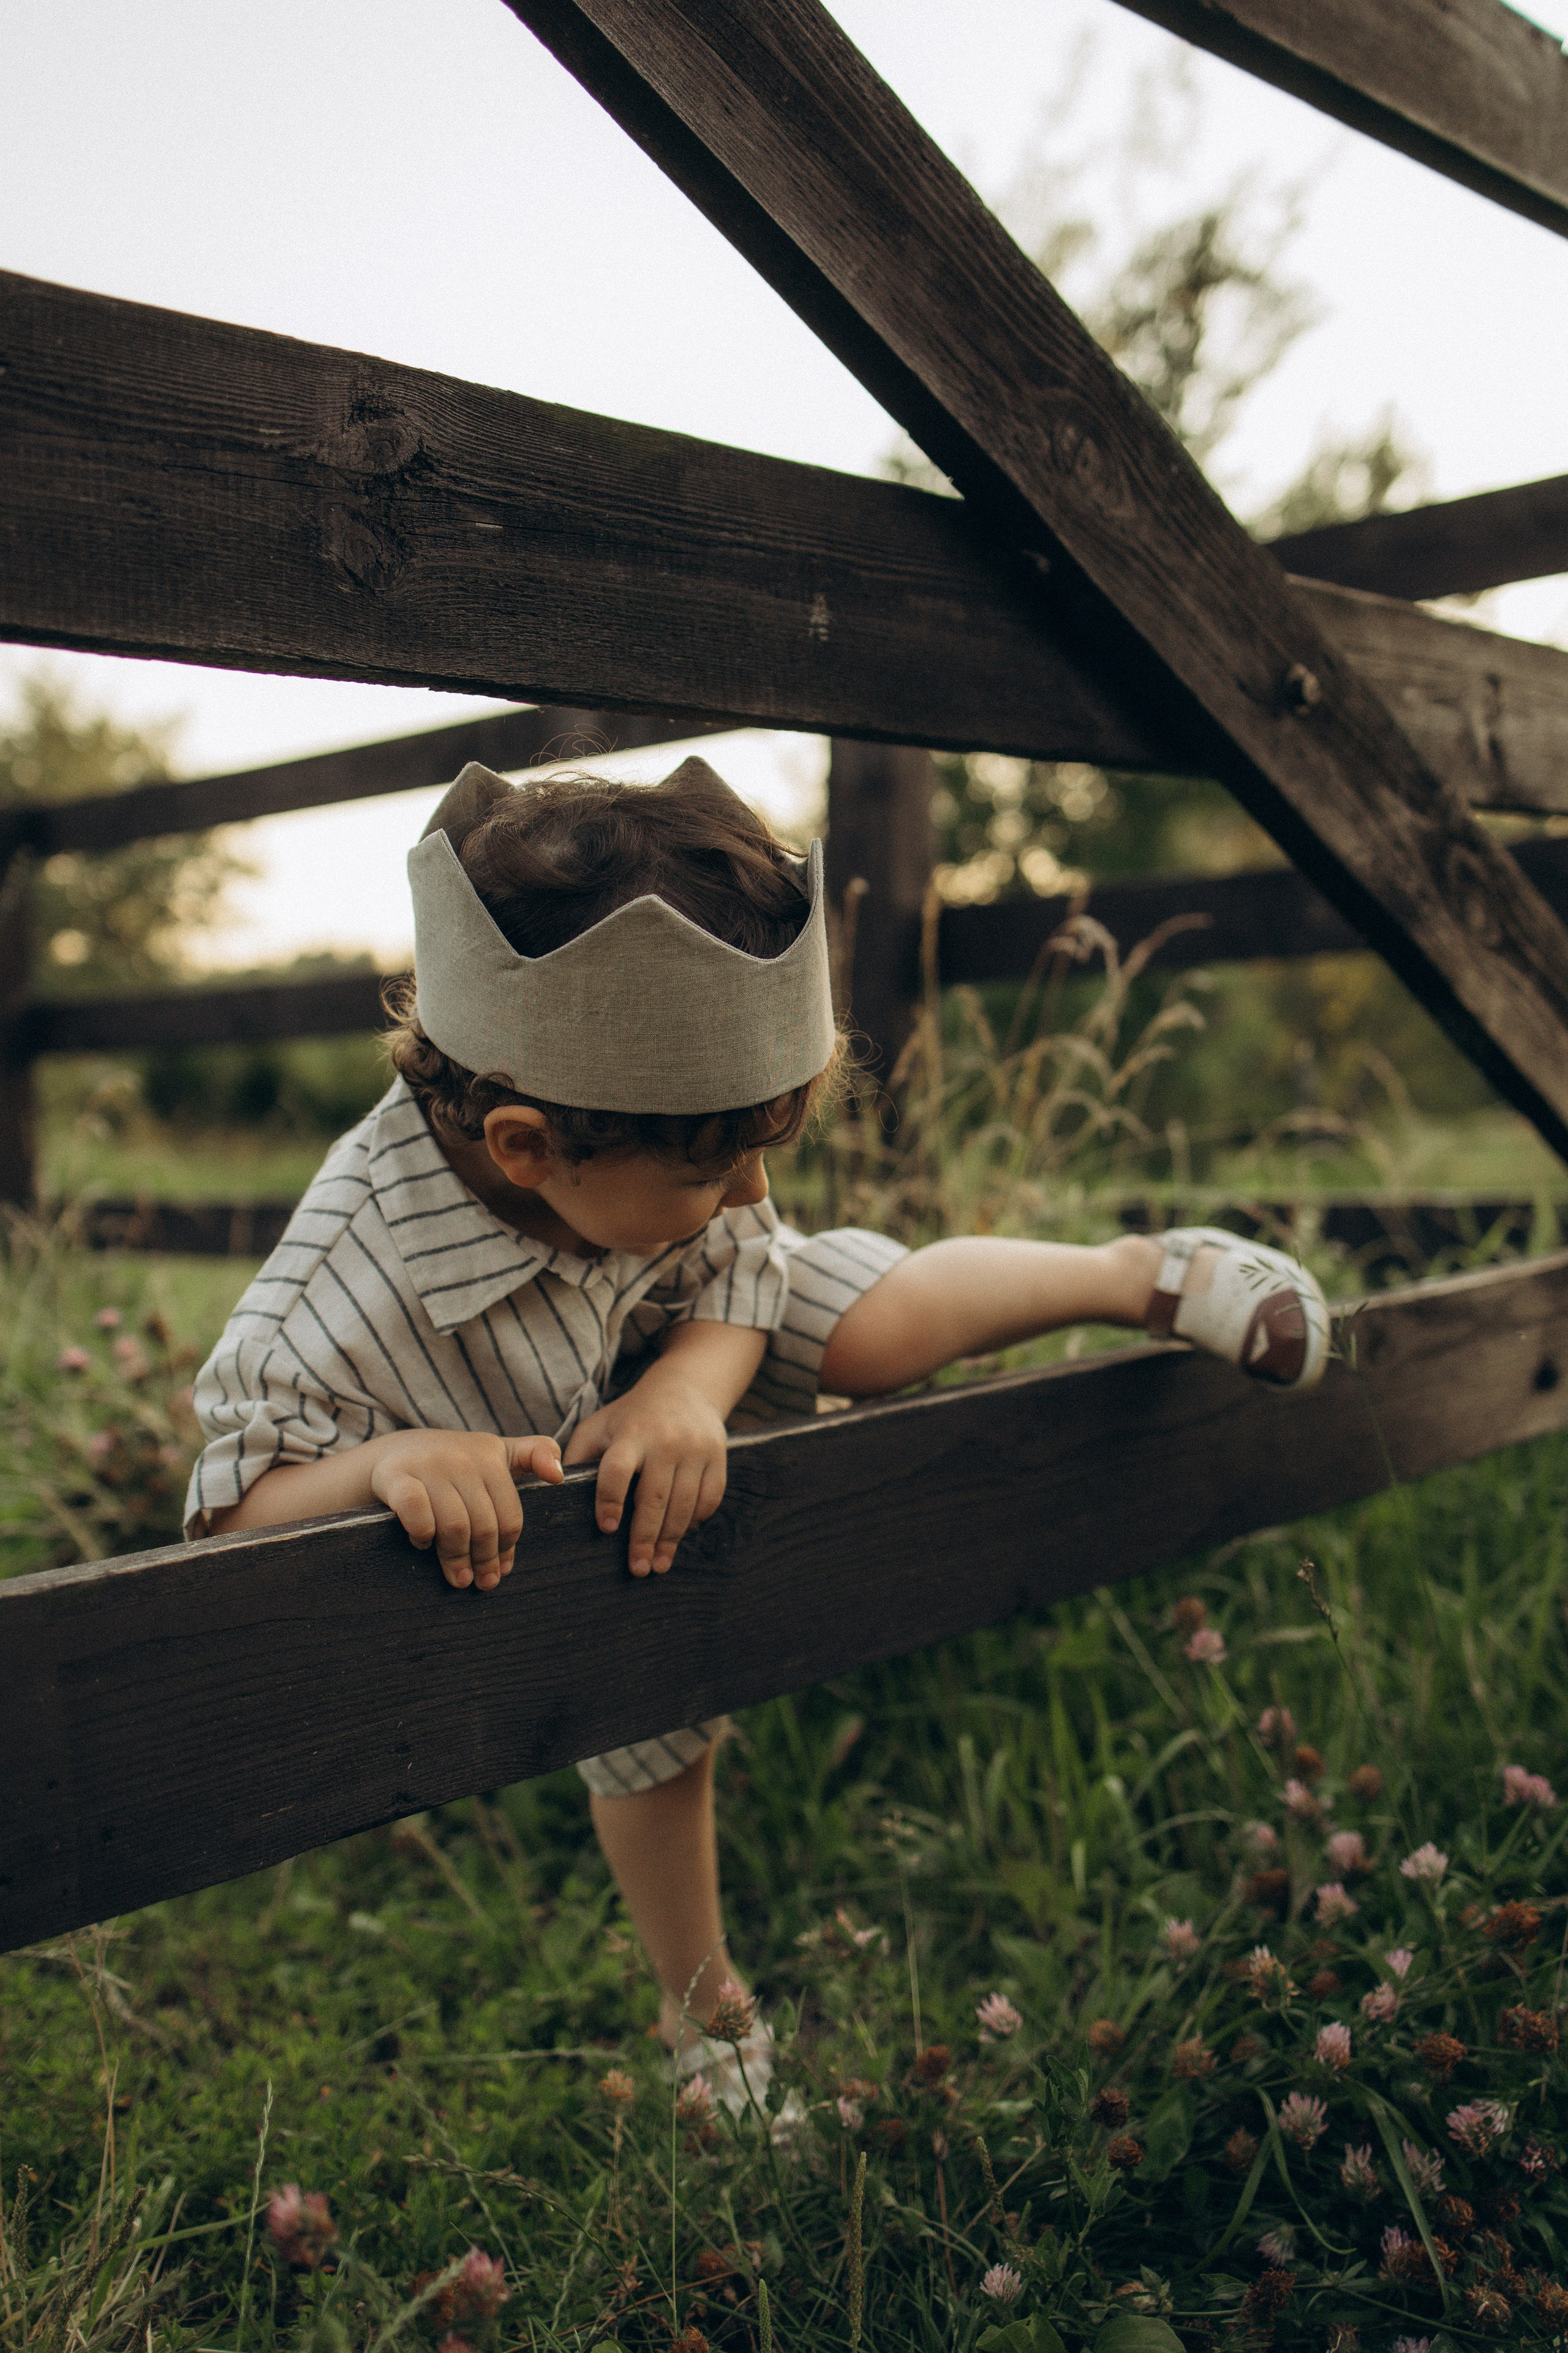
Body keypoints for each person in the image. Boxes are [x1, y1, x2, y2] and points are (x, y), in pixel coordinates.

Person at [187, 754, 1328, 2111]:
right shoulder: (339, 1288)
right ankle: (706, 2019)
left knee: (871, 1328)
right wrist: (381, 1464)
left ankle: (1142, 1272)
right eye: (717, 1164)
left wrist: (687, 1389)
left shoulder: (645, 1144)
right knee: (648, 1720)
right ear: (524, 1146)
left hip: (666, 1369)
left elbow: (741, 1260)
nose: (752, 1186)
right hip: (556, 1516)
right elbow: (228, 1515)